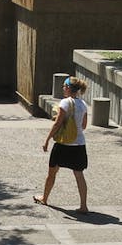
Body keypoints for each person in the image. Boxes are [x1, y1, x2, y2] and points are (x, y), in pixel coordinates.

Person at [34, 76, 89, 214]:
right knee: (79, 175)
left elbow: (57, 123)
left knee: (52, 172)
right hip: (79, 144)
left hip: (63, 144)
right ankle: (83, 206)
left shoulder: (64, 103)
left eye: (64, 86)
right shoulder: (83, 104)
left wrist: (47, 140)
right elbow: (83, 125)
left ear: (69, 88)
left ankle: (44, 198)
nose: (63, 89)